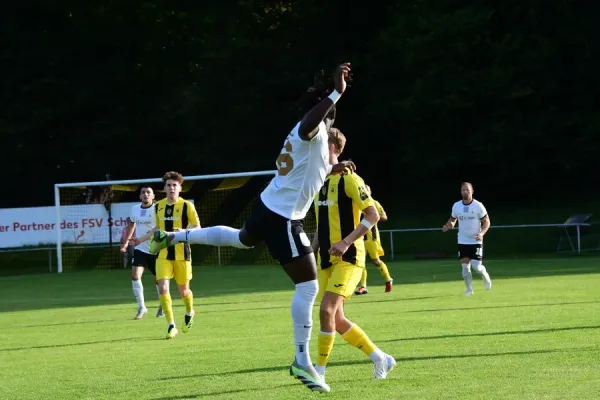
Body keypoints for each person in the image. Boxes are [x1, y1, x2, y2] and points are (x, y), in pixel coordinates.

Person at [149, 63, 355, 393]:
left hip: (268, 204)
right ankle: (302, 361)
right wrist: (335, 92)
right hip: (284, 216)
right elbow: (316, 120)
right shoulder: (309, 127)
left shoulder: (309, 135)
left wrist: (335, 164)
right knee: (308, 287)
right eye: (331, 110)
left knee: (243, 240)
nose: (333, 115)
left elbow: (313, 164)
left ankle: (173, 236)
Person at [312, 130, 396, 385]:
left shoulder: (350, 179)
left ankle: (319, 372)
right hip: (325, 259)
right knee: (336, 319)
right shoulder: (319, 181)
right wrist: (312, 249)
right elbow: (322, 222)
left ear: (333, 146)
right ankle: (380, 357)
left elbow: (371, 215)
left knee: (326, 311)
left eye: (320, 144)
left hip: (349, 257)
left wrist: (346, 241)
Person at [133, 172, 200, 339]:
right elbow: (157, 228)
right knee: (162, 287)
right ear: (164, 188)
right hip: (163, 254)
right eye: (168, 185)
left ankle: (190, 311)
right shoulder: (158, 206)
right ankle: (171, 325)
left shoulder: (187, 206)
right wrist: (141, 238)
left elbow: (198, 227)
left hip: (182, 254)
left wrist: (184, 231)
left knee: (184, 291)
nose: (171, 188)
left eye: (174, 185)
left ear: (180, 188)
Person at [120, 186, 163, 320]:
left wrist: (142, 239)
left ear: (153, 196)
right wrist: (126, 243)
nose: (145, 195)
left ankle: (162, 305)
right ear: (140, 196)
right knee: (135, 275)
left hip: (156, 248)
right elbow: (131, 226)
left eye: (148, 192)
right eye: (143, 193)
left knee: (158, 280)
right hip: (140, 249)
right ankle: (142, 307)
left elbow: (158, 228)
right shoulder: (135, 209)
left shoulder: (157, 209)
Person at [442, 182, 492, 295]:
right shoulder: (456, 206)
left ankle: (485, 276)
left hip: (476, 240)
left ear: (472, 191)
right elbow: (453, 220)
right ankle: (469, 290)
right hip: (462, 240)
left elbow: (487, 222)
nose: (465, 192)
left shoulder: (478, 206)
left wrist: (482, 233)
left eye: (467, 190)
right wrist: (447, 226)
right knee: (465, 267)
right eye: (463, 190)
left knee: (476, 266)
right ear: (460, 192)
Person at [354, 185, 393, 295]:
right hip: (359, 237)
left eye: (366, 190)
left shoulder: (373, 203)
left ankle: (388, 279)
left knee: (376, 261)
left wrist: (371, 215)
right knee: (360, 262)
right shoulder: (357, 203)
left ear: (369, 192)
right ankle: (363, 286)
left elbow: (384, 217)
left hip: (372, 237)